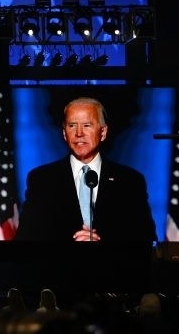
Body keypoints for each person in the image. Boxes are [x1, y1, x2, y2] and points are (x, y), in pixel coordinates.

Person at [13, 97, 156, 242]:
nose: (79, 133)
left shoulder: (130, 181)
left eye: (87, 125)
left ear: (103, 132)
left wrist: (101, 244)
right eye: (72, 125)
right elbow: (25, 240)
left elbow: (146, 241)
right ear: (64, 133)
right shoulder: (42, 180)